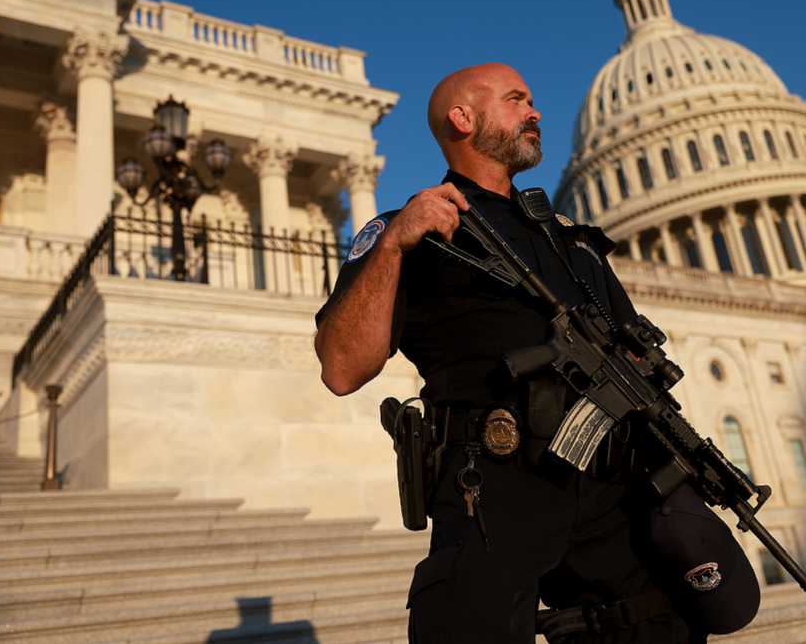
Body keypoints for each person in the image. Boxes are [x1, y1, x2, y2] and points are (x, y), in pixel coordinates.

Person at [315, 63, 756, 643]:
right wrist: (395, 247)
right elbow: (343, 367)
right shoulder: (410, 230)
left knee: (655, 623)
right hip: (495, 480)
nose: (535, 111)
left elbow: (640, 359)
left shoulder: (573, 241)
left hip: (612, 475)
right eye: (517, 99)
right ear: (462, 118)